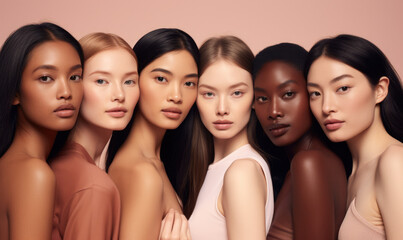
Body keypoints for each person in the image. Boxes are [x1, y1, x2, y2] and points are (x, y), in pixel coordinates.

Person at [305, 34, 403, 240]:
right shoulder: (347, 172)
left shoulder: (394, 162)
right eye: (315, 93)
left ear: (380, 90)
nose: (326, 107)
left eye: (343, 88)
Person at [106, 28, 199, 240]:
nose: (176, 96)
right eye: (161, 78)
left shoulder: (156, 164)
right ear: (135, 80)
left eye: (189, 83)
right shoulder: (143, 174)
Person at [252, 43, 348, 240]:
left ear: (311, 94)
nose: (274, 112)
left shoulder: (309, 163)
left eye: (288, 94)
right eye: (262, 98)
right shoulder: (301, 164)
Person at [50, 32, 139, 240]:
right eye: (101, 81)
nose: (119, 94)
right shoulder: (94, 187)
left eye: (129, 81)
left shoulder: (58, 164)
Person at [0, 22, 83, 240]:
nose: (66, 92)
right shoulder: (35, 174)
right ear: (14, 93)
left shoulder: (10, 164)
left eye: (75, 77)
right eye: (46, 78)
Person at [187, 36, 274, 240]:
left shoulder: (242, 171)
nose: (222, 109)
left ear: (254, 97)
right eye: (209, 94)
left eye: (236, 93)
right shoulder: (213, 169)